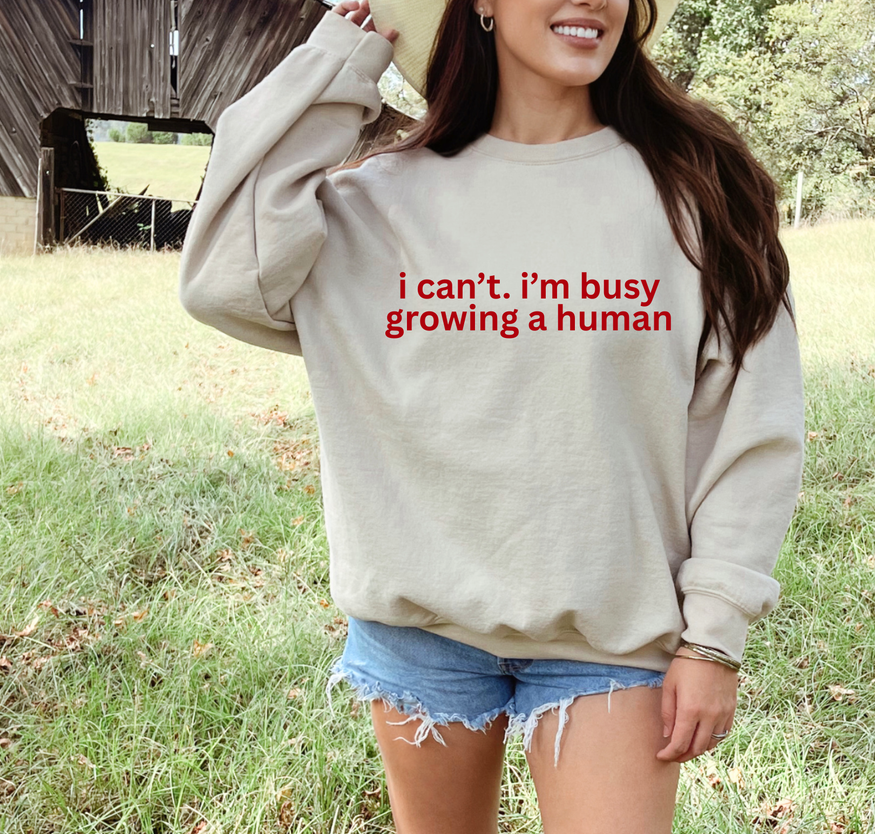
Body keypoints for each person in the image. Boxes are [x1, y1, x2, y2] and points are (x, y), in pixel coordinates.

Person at [177, 0, 805, 830]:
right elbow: (222, 278)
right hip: (421, 633)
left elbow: (752, 428)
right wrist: (344, 59)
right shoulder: (375, 205)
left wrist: (715, 634)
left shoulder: (695, 193)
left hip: (610, 639)